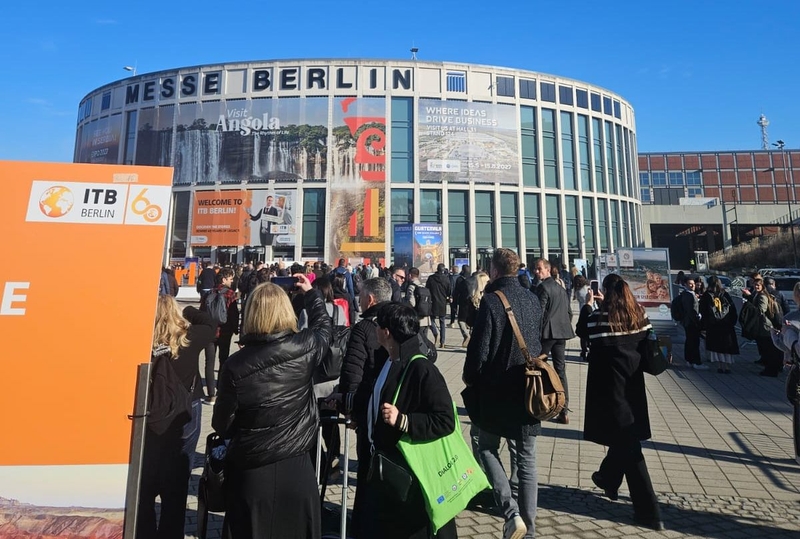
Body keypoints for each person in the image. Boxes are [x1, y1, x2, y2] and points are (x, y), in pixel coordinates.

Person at [212, 273, 332, 539]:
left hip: (252, 471)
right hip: (297, 466)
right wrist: (310, 293)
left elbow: (222, 424)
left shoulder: (235, 365)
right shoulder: (305, 347)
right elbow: (325, 328)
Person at [355, 302, 457, 539]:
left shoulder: (420, 367)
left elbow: (445, 420)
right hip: (386, 473)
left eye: (378, 326)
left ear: (387, 332)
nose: (375, 330)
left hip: (410, 478)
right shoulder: (388, 359)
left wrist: (404, 421)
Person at [463, 248, 543, 539]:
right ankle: (530, 529)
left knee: (485, 447)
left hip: (496, 390)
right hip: (528, 389)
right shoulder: (532, 298)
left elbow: (480, 349)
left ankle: (511, 513)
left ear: (494, 272)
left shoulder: (492, 301)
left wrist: (470, 379)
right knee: (527, 459)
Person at [584, 274, 663, 531]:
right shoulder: (640, 318)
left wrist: (588, 305)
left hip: (609, 393)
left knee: (630, 447)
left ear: (605, 292)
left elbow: (582, 332)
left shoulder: (598, 319)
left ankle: (649, 511)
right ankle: (608, 478)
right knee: (627, 441)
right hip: (634, 391)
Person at [138, 296, 215, 539]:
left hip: (149, 414)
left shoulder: (142, 341)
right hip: (185, 413)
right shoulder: (189, 338)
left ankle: (144, 530)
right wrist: (188, 309)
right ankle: (171, 532)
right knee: (179, 475)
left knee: (145, 479)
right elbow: (211, 323)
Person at [534, 258, 574, 424]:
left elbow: (539, 313)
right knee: (560, 369)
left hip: (547, 333)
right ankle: (563, 410)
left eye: (539, 269)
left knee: (537, 366)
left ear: (548, 270)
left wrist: (535, 332)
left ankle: (538, 403)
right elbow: (569, 312)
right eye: (535, 269)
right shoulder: (560, 288)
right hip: (561, 332)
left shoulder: (543, 287)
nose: (536, 272)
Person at [201, 267, 239, 404]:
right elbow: (234, 313)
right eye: (230, 278)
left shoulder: (209, 293)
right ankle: (221, 391)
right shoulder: (230, 294)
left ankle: (211, 395)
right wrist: (236, 329)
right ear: (224, 279)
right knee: (224, 360)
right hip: (225, 331)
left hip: (210, 331)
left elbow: (202, 312)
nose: (232, 281)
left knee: (209, 363)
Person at [698, 275, 739, 374]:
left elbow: (703, 311)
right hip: (726, 325)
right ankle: (728, 367)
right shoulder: (725, 294)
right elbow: (733, 309)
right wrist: (732, 322)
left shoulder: (707, 295)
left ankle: (720, 366)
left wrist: (703, 326)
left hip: (714, 326)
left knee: (717, 347)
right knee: (727, 347)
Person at [751, 276, 784, 377]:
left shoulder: (762, 296)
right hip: (766, 326)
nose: (756, 286)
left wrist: (750, 308)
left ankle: (771, 370)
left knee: (769, 350)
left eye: (758, 285)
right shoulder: (760, 294)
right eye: (755, 284)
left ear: (762, 286)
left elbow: (761, 309)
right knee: (768, 349)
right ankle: (770, 368)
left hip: (766, 326)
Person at [678, 277, 707, 370]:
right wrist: (697, 317)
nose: (693, 285)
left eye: (693, 283)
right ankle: (696, 362)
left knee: (690, 341)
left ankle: (689, 360)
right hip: (692, 322)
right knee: (694, 342)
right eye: (690, 284)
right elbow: (691, 310)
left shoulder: (687, 294)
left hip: (688, 322)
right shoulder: (689, 295)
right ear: (685, 285)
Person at [426, 263, 452, 348]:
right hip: (442, 302)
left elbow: (427, 289)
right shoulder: (446, 279)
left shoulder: (431, 278)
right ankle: (442, 342)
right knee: (442, 322)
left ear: (437, 269)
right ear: (444, 270)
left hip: (432, 301)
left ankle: (435, 332)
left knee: (430, 320)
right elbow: (449, 291)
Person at [405, 267, 433, 341]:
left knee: (418, 341)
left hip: (417, 319)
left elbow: (412, 303)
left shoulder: (411, 287)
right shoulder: (422, 286)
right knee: (425, 340)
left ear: (410, 275)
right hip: (426, 319)